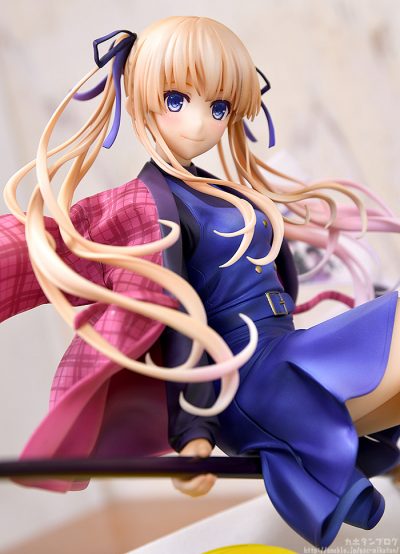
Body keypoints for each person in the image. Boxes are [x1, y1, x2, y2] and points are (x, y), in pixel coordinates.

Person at [2, 16, 400, 548]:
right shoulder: (153, 207)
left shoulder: (226, 192)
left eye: (218, 108)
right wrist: (193, 433)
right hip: (251, 384)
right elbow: (181, 324)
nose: (199, 123)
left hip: (286, 355)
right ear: (142, 99)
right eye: (176, 100)